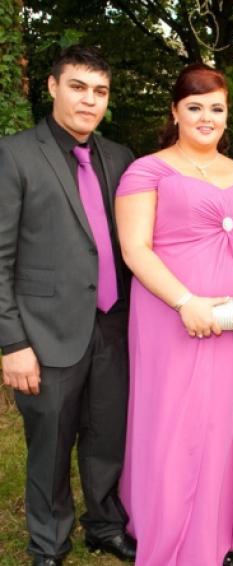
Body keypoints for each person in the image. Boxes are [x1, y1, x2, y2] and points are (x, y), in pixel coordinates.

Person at [115, 63, 233, 566]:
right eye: (195, 107)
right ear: (175, 111)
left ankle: (219, 534)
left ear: (227, 115)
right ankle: (169, 530)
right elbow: (135, 249)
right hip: (173, 318)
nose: (206, 117)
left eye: (216, 108)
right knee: (176, 423)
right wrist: (185, 302)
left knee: (228, 423)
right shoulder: (147, 171)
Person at [0, 46, 137, 566]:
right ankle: (49, 544)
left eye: (99, 91)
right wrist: (13, 343)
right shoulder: (14, 155)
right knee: (51, 445)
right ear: (53, 87)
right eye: (78, 87)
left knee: (107, 436)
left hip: (113, 325)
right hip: (45, 332)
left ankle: (104, 525)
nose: (89, 100)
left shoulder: (119, 157)